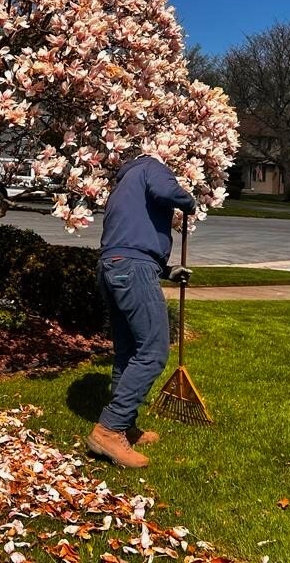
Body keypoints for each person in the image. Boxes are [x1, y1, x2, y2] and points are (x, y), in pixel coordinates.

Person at [87, 153, 196, 468]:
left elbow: (129, 239)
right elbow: (167, 192)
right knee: (152, 351)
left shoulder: (123, 184)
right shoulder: (151, 167)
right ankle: (109, 429)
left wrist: (166, 270)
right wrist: (187, 201)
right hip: (132, 269)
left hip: (113, 267)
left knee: (129, 352)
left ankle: (125, 426)